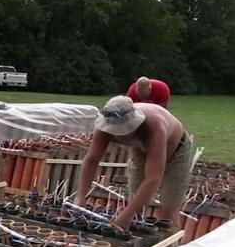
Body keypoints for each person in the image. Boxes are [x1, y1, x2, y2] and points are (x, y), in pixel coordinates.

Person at [74, 95, 193, 230]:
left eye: (123, 130)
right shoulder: (104, 128)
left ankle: (171, 240)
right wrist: (80, 196)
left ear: (135, 123)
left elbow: (153, 178)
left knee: (168, 214)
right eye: (115, 131)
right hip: (141, 150)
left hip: (176, 152)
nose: (119, 135)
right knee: (134, 205)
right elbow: (91, 160)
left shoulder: (155, 127)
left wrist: (125, 217)